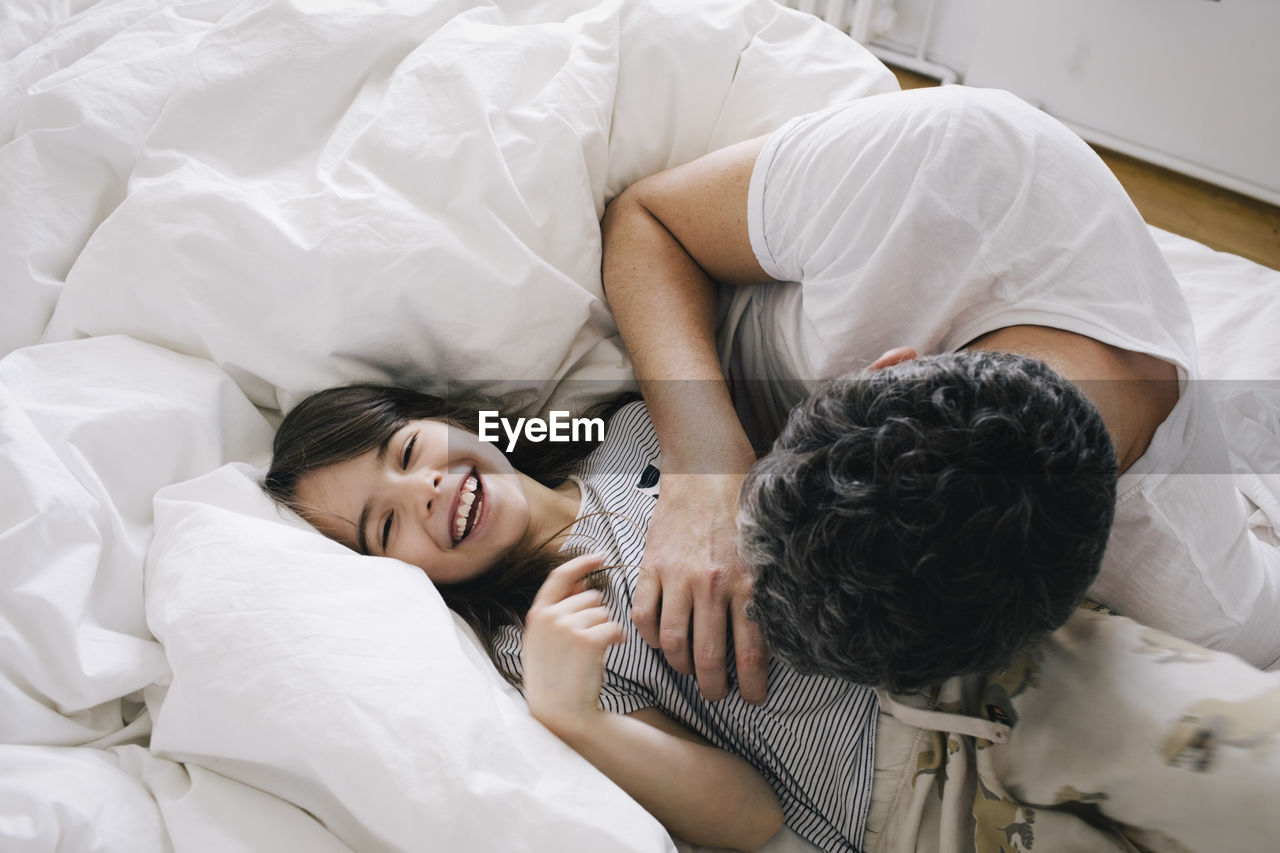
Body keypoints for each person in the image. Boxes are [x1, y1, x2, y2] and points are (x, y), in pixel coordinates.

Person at [600, 84, 1280, 702]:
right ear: (887, 363)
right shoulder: (954, 160)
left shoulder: (1205, 602)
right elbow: (645, 218)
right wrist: (706, 463)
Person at [264, 383, 1152, 853]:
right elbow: (746, 814)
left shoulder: (643, 430)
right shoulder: (529, 644)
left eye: (408, 450)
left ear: (455, 418)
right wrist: (570, 715)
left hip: (988, 638)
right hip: (911, 799)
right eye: (384, 526)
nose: (421, 490)